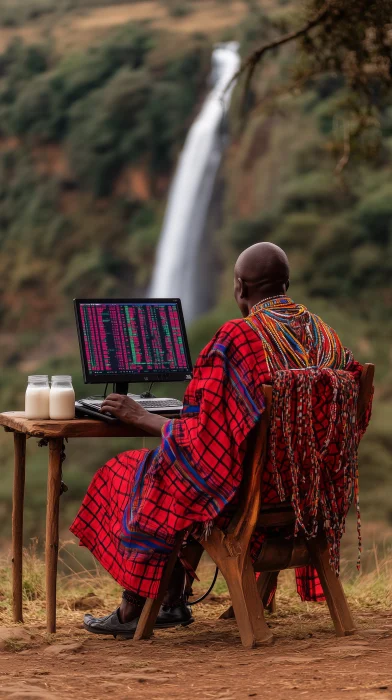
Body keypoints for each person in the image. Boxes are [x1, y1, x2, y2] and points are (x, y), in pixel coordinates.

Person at [71, 242, 371, 638]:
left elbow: (203, 443)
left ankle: (135, 606)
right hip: (304, 495)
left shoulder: (239, 339)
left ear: (241, 289)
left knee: (134, 470)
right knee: (173, 469)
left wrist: (142, 416)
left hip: (247, 496)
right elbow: (348, 422)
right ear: (286, 284)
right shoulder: (327, 338)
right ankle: (173, 600)